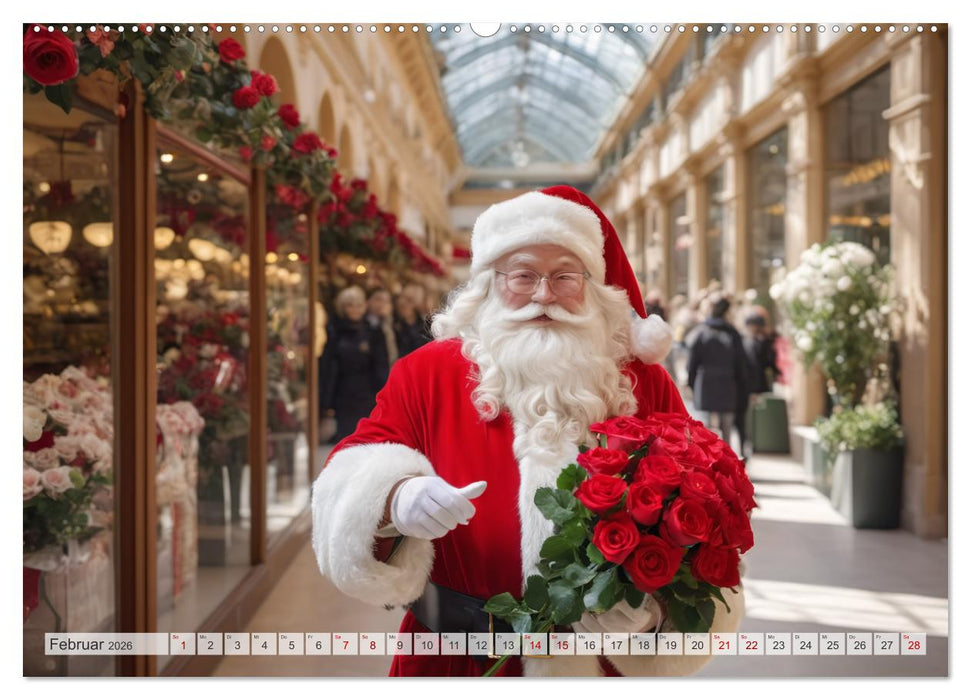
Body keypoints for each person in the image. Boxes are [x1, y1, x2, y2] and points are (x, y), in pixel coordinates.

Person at [311, 185, 745, 677]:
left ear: (593, 288)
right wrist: (392, 497)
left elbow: (704, 509)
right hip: (454, 662)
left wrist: (656, 614)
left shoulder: (643, 381)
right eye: (523, 275)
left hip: (602, 666)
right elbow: (352, 465)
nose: (543, 295)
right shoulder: (426, 373)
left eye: (564, 276)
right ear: (490, 284)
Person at [318, 286, 390, 444]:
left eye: (359, 305)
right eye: (350, 305)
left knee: (367, 442)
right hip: (343, 396)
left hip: (368, 394)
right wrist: (326, 403)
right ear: (343, 308)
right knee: (347, 442)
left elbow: (381, 366)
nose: (356, 309)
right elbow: (329, 368)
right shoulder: (334, 332)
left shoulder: (373, 332)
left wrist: (385, 396)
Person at [686, 293, 749, 449]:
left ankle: (707, 460)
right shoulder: (733, 334)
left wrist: (692, 384)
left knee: (705, 427)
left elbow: (692, 363)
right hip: (728, 384)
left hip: (706, 384)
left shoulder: (701, 332)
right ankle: (727, 463)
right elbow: (741, 364)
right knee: (726, 429)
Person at [366, 286, 399, 366]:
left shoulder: (395, 325)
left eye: (387, 301)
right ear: (368, 301)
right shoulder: (363, 324)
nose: (382, 304)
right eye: (378, 299)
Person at [392, 292, 430, 358]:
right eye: (401, 307)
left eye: (407, 304)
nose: (405, 308)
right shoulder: (396, 327)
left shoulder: (424, 324)